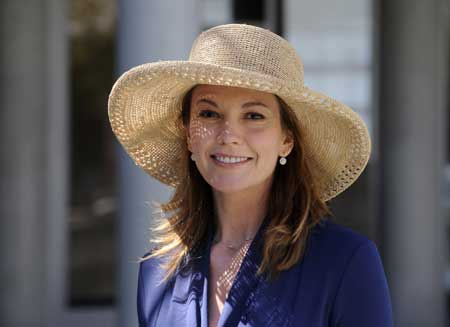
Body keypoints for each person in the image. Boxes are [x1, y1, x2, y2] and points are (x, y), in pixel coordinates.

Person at [108, 23, 394, 327]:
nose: (228, 134)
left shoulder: (345, 262)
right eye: (208, 113)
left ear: (287, 140)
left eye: (254, 116)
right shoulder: (157, 271)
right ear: (188, 134)